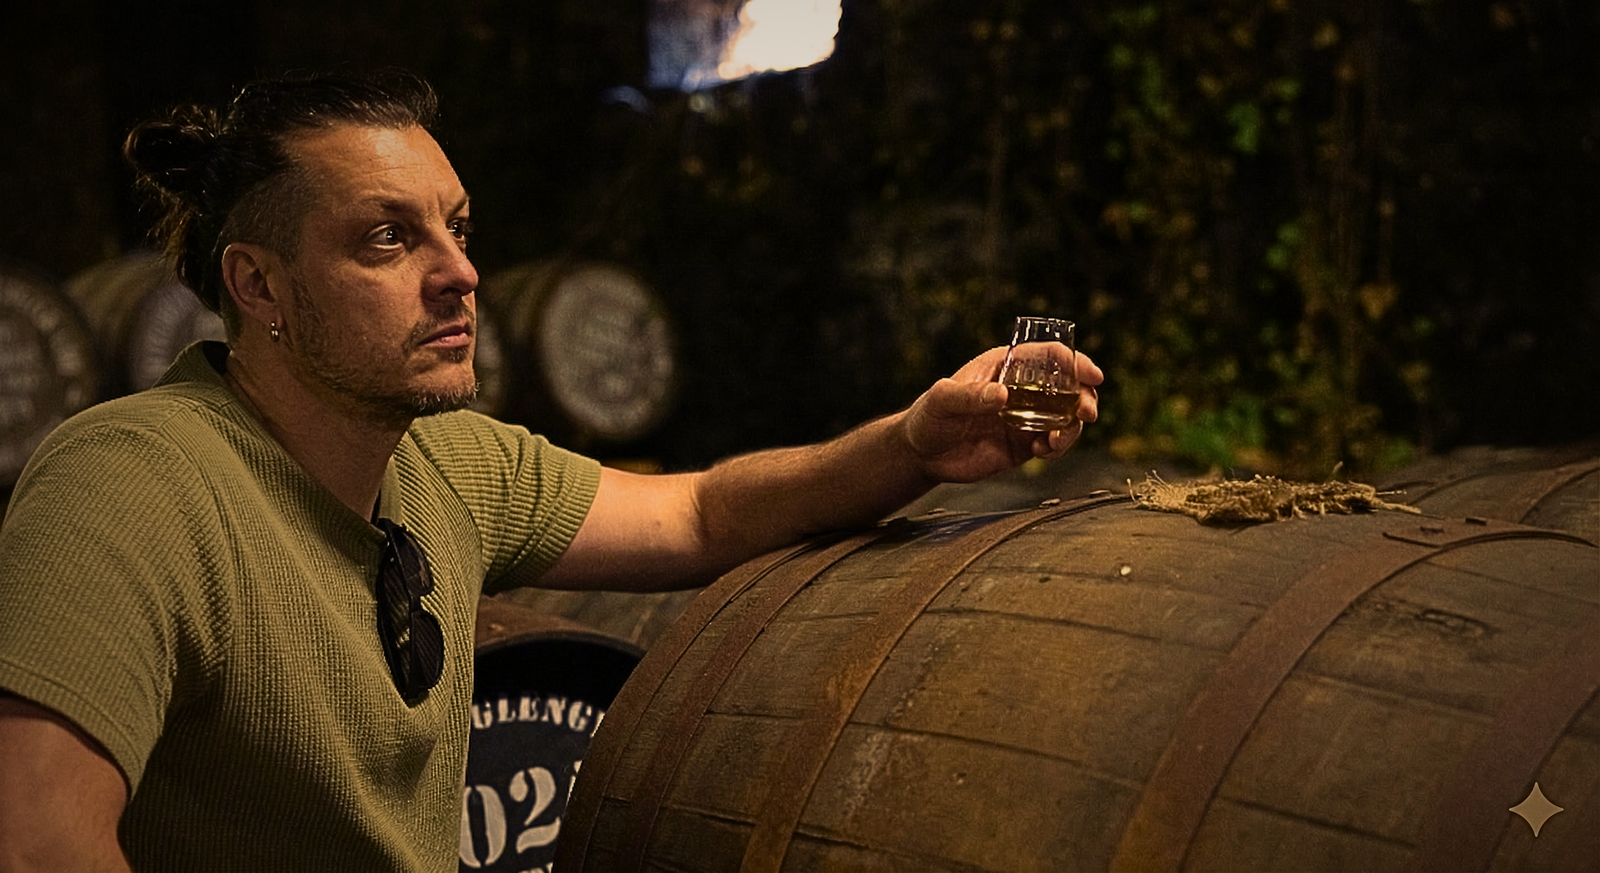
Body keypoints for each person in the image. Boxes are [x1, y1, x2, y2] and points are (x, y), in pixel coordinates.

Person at [0, 70, 1101, 871]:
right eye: (388, 239)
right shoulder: (132, 485)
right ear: (260, 286)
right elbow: (39, 846)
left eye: (458, 228)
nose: (461, 273)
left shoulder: (447, 464)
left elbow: (701, 516)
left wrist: (913, 444)